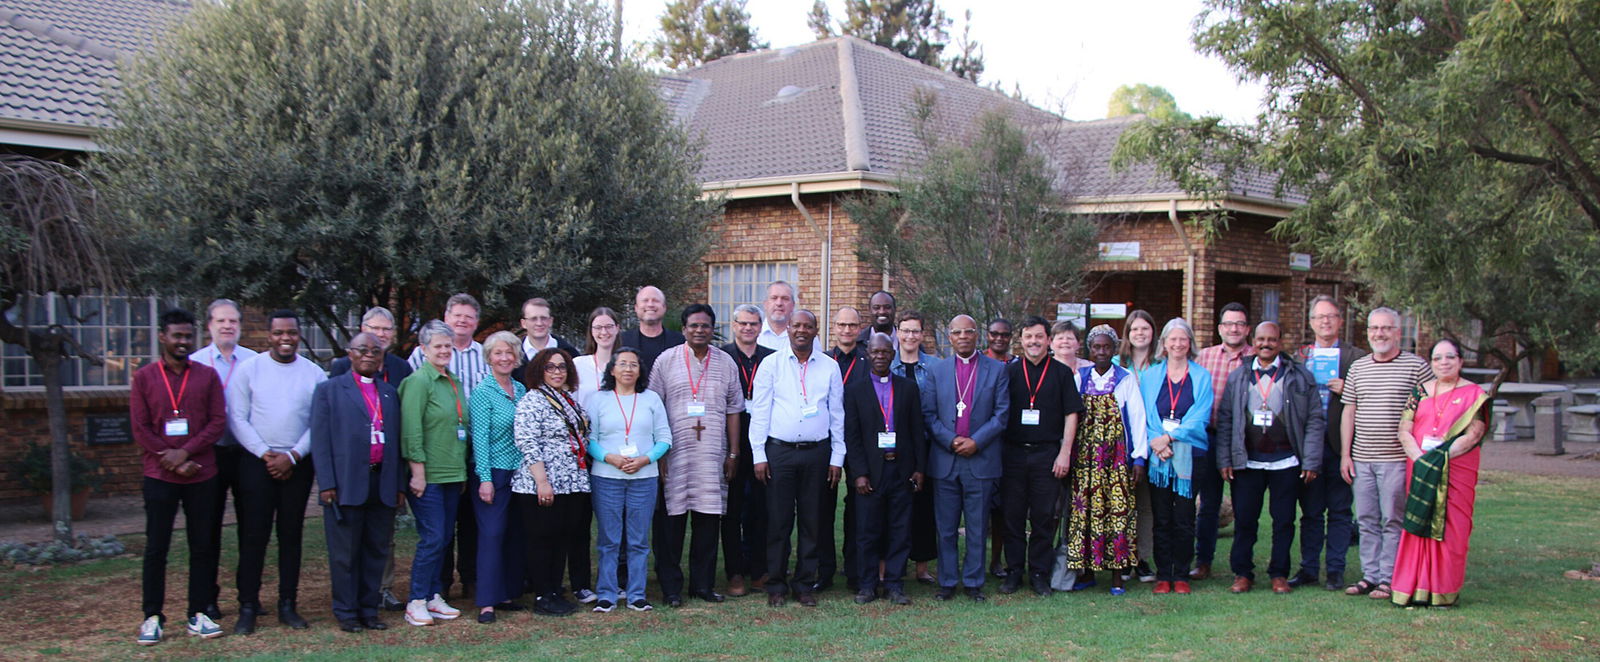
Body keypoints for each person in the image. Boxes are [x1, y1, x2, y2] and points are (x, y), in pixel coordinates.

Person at [225, 310, 326, 634]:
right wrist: (265, 453)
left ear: (300, 335)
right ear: (268, 335)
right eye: (279, 332)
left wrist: (294, 454)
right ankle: (248, 606)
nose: (286, 338)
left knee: (291, 536)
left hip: (297, 464)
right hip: (257, 463)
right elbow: (237, 417)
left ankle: (288, 604)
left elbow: (318, 421)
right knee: (253, 537)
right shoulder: (249, 369)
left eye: (292, 333)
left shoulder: (313, 373)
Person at [131, 308, 227, 645]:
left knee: (202, 545)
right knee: (157, 547)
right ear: (163, 337)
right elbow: (140, 428)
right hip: (160, 475)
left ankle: (198, 613)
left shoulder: (206, 376)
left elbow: (217, 421)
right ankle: (152, 616)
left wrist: (185, 454)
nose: (183, 341)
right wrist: (171, 460)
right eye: (177, 336)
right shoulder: (144, 377)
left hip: (201, 473)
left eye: (188, 336)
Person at [1215, 321, 1324, 595]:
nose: (1266, 344)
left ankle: (1279, 573)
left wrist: (1311, 460)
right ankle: (1242, 573)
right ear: (1254, 340)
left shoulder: (1300, 376)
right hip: (1247, 461)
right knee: (1245, 520)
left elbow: (1313, 419)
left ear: (1280, 341)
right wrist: (1225, 458)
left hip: (1286, 461)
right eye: (1261, 339)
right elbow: (1226, 420)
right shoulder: (1239, 376)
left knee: (1284, 520)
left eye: (1272, 339)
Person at [648, 304, 744, 606]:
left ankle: (702, 586)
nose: (699, 330)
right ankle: (671, 588)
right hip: (675, 455)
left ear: (712, 329)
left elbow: (734, 410)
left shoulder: (726, 362)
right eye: (693, 325)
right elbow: (653, 407)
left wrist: (733, 453)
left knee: (707, 523)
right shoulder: (666, 361)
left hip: (712, 456)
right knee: (671, 525)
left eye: (705, 326)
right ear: (684, 329)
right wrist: (659, 454)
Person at [748, 310, 844, 607]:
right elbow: (760, 411)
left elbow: (837, 415)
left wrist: (837, 457)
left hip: (817, 453)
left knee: (812, 521)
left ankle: (804, 583)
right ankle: (776, 584)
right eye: (797, 325)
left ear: (817, 331)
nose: (802, 330)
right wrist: (758, 454)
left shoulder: (829, 367)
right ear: (787, 328)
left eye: (808, 326)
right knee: (778, 521)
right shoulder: (770, 365)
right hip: (780, 452)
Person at [310, 332, 403, 633]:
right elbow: (320, 441)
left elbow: (398, 442)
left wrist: (399, 485)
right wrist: (326, 483)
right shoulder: (329, 390)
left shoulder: (389, 393)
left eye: (375, 351)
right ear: (350, 354)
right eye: (362, 350)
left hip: (382, 481)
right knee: (345, 553)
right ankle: (347, 612)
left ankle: (368, 609)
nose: (369, 355)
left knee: (376, 550)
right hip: (346, 483)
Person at [1341, 307, 1432, 601]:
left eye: (1385, 328)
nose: (1378, 334)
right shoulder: (1358, 367)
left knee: (1393, 519)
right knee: (1366, 519)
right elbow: (1349, 411)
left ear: (1397, 332)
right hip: (1362, 457)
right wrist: (1346, 454)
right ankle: (1369, 575)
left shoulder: (1416, 367)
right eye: (1373, 328)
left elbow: (1431, 410)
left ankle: (1389, 577)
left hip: (1395, 458)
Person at [1391, 339, 1490, 608]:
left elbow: (1474, 434)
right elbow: (1404, 429)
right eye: (1437, 358)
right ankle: (1411, 588)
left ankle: (1443, 590)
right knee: (1417, 525)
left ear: (1460, 361)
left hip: (1454, 469)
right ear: (1431, 362)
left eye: (1449, 357)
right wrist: (1422, 459)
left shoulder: (1474, 394)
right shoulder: (1420, 391)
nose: (1443, 363)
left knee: (1452, 528)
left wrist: (1440, 457)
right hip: (1421, 468)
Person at [327, 306, 413, 612]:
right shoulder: (335, 377)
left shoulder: (396, 378)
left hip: (384, 472)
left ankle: (376, 598)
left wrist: (401, 479)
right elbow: (326, 431)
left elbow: (401, 427)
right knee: (348, 545)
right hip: (350, 474)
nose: (378, 338)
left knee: (380, 541)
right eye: (372, 331)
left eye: (385, 331)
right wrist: (327, 481)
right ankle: (348, 606)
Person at [922, 314, 1011, 602]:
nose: (963, 336)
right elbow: (929, 415)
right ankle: (947, 581)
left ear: (978, 336)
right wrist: (950, 440)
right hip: (945, 460)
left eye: (968, 332)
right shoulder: (936, 370)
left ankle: (973, 582)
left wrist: (976, 441)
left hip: (980, 460)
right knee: (945, 527)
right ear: (949, 337)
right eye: (957, 332)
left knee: (976, 526)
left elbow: (1001, 415)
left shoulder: (996, 370)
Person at [405, 294, 484, 599]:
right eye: (457, 316)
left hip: (466, 457)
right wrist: (417, 469)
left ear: (476, 322)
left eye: (469, 317)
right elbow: (414, 417)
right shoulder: (420, 366)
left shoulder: (475, 360)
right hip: (433, 457)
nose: (463, 321)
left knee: (467, 523)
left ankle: (465, 579)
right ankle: (433, 589)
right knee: (437, 532)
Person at [1001, 316, 1084, 596]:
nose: (1034, 342)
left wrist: (1065, 453)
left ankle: (1039, 572)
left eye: (1039, 336)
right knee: (1012, 516)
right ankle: (1013, 572)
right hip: (1012, 453)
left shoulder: (1061, 373)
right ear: (1021, 340)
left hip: (1048, 454)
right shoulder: (1010, 372)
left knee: (1043, 517)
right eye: (1028, 337)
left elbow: (1071, 414)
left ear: (1048, 340)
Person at [587, 348, 673, 612]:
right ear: (611, 370)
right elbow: (589, 439)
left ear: (640, 370)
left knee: (638, 540)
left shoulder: (651, 399)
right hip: (607, 477)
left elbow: (665, 438)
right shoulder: (598, 399)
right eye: (622, 364)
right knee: (609, 539)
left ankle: (637, 594)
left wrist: (646, 459)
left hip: (643, 478)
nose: (627, 369)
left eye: (633, 364)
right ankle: (607, 594)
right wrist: (608, 457)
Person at [1289, 295, 1366, 591]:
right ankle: (1308, 568)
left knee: (1339, 509)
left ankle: (1335, 569)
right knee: (1310, 511)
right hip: (1308, 444)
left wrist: (1349, 389)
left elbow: (1367, 397)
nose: (1325, 321)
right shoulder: (1300, 357)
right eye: (1320, 317)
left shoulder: (1356, 357)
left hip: (1340, 444)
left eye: (1331, 316)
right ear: (1311, 323)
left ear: (1340, 321)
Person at [1065, 325, 1147, 596]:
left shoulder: (1124, 379)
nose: (1101, 352)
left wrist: (1139, 459)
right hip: (1085, 460)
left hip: (1115, 460)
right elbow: (1071, 416)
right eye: (1096, 347)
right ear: (1090, 349)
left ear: (1114, 349)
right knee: (1084, 513)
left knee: (1117, 514)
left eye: (1106, 347)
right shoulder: (1080, 378)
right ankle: (1086, 572)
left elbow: (1137, 420)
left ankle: (1117, 576)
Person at [844, 333, 925, 605]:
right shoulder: (855, 390)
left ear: (893, 354)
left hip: (901, 471)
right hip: (870, 474)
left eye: (885, 352)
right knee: (867, 531)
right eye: (875, 352)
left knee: (899, 530)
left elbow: (917, 431)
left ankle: (894, 584)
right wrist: (859, 473)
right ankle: (867, 584)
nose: (880, 356)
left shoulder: (908, 388)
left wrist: (919, 469)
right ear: (867, 353)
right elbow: (852, 436)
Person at [397, 320, 469, 626]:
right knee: (432, 537)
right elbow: (411, 430)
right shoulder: (418, 382)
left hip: (453, 473)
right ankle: (415, 600)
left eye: (447, 346)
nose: (443, 351)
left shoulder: (453, 380)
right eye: (437, 346)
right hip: (428, 475)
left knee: (443, 538)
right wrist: (417, 471)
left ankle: (433, 595)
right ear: (424, 349)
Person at [190, 298, 256, 622]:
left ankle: (249, 597)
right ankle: (208, 599)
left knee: (251, 529)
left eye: (232, 321)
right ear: (209, 326)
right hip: (209, 454)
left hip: (246, 454)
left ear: (240, 325)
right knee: (207, 529)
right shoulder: (196, 363)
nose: (227, 326)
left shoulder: (255, 361)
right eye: (220, 321)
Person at [513, 348, 592, 616]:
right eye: (550, 367)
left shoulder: (567, 398)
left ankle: (555, 590)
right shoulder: (532, 400)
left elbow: (582, 434)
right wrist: (542, 481)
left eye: (562, 367)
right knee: (542, 539)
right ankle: (543, 596)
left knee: (561, 538)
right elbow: (527, 441)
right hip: (542, 481)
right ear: (539, 371)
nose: (557, 372)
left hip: (571, 481)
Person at [1138, 317, 1213, 595]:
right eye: (1173, 339)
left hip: (1190, 456)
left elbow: (1199, 416)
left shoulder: (1201, 376)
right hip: (1159, 457)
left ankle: (1181, 573)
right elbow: (1146, 413)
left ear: (1190, 343)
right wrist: (1158, 443)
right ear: (1165, 344)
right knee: (1161, 518)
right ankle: (1163, 574)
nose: (1178, 344)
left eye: (1183, 339)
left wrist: (1169, 438)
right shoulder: (1151, 375)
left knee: (1183, 517)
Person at [467, 332, 529, 624]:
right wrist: (485, 478)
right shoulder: (483, 392)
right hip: (494, 472)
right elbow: (479, 438)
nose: (504, 358)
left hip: (521, 473)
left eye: (509, 352)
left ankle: (507, 593)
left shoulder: (520, 389)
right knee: (491, 535)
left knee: (514, 535)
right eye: (498, 353)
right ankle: (487, 602)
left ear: (517, 357)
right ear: (489, 357)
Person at [1191, 302, 1250, 581]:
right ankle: (1203, 561)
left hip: (1245, 441)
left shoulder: (1256, 357)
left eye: (1239, 324)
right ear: (1220, 328)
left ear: (1247, 329)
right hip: (1210, 437)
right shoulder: (1204, 357)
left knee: (1245, 504)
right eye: (1228, 324)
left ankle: (1242, 567)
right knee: (1209, 504)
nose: (1234, 329)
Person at [720, 304, 775, 597]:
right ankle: (735, 572)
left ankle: (760, 570)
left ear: (760, 326)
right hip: (731, 443)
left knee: (762, 510)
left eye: (754, 324)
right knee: (732, 511)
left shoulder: (771, 358)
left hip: (764, 443)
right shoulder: (723, 356)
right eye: (743, 323)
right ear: (734, 324)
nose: (748, 328)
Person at [890, 310, 940, 585]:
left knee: (923, 506)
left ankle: (922, 566)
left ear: (922, 334)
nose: (910, 336)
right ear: (897, 332)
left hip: (928, 444)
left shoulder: (935, 367)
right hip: (895, 446)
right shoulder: (886, 363)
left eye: (915, 331)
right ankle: (891, 564)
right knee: (895, 506)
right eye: (905, 330)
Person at [822, 305, 870, 591]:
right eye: (842, 325)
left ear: (859, 327)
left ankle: (855, 570)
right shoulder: (824, 360)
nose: (847, 330)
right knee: (822, 508)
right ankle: (824, 570)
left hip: (860, 443)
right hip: (827, 442)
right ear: (835, 328)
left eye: (852, 325)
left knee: (858, 508)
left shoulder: (868, 360)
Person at [1115, 309, 1158, 583]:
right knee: (1122, 504)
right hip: (1123, 445)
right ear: (1127, 335)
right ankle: (1122, 557)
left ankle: (1142, 557)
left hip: (1155, 442)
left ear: (1153, 332)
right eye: (1134, 329)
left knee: (1146, 505)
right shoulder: (1118, 366)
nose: (1140, 333)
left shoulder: (1161, 366)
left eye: (1145, 328)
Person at [619, 285, 685, 389]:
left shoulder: (680, 342)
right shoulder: (621, 341)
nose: (650, 304)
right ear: (636, 308)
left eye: (655, 301)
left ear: (664, 307)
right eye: (645, 300)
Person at [328, 307, 413, 386]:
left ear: (393, 332)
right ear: (363, 329)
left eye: (386, 329)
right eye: (375, 328)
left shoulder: (401, 367)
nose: (381, 334)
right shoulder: (343, 366)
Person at [756, 280, 819, 353]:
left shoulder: (807, 336)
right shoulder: (754, 334)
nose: (779, 303)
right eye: (774, 298)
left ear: (793, 305)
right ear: (765, 304)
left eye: (785, 298)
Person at [574, 307, 621, 403]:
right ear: (591, 331)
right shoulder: (578, 365)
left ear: (617, 328)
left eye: (609, 326)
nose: (604, 332)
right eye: (598, 327)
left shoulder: (625, 366)